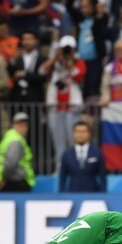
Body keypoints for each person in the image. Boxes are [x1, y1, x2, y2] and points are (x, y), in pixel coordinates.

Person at [42, 35, 86, 171]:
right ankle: (60, 168)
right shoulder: (55, 63)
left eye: (69, 49)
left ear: (74, 50)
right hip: (55, 107)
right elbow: (41, 70)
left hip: (72, 107)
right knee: (58, 141)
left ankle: (76, 168)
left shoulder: (79, 62)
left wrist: (69, 61)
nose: (67, 52)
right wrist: (55, 57)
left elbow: (78, 76)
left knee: (73, 140)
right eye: (64, 49)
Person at [0, 112, 35, 192]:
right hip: (14, 181)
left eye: (25, 125)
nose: (24, 128)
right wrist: (3, 181)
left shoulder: (9, 137)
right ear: (13, 125)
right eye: (20, 125)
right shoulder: (16, 141)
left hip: (7, 180)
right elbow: (11, 164)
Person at [59, 120, 107, 193]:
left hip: (93, 194)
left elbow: (102, 176)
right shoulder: (67, 154)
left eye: (83, 132)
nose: (80, 134)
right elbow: (62, 177)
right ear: (73, 134)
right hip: (72, 194)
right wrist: (61, 195)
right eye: (77, 132)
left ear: (89, 134)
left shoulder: (97, 153)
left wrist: (104, 194)